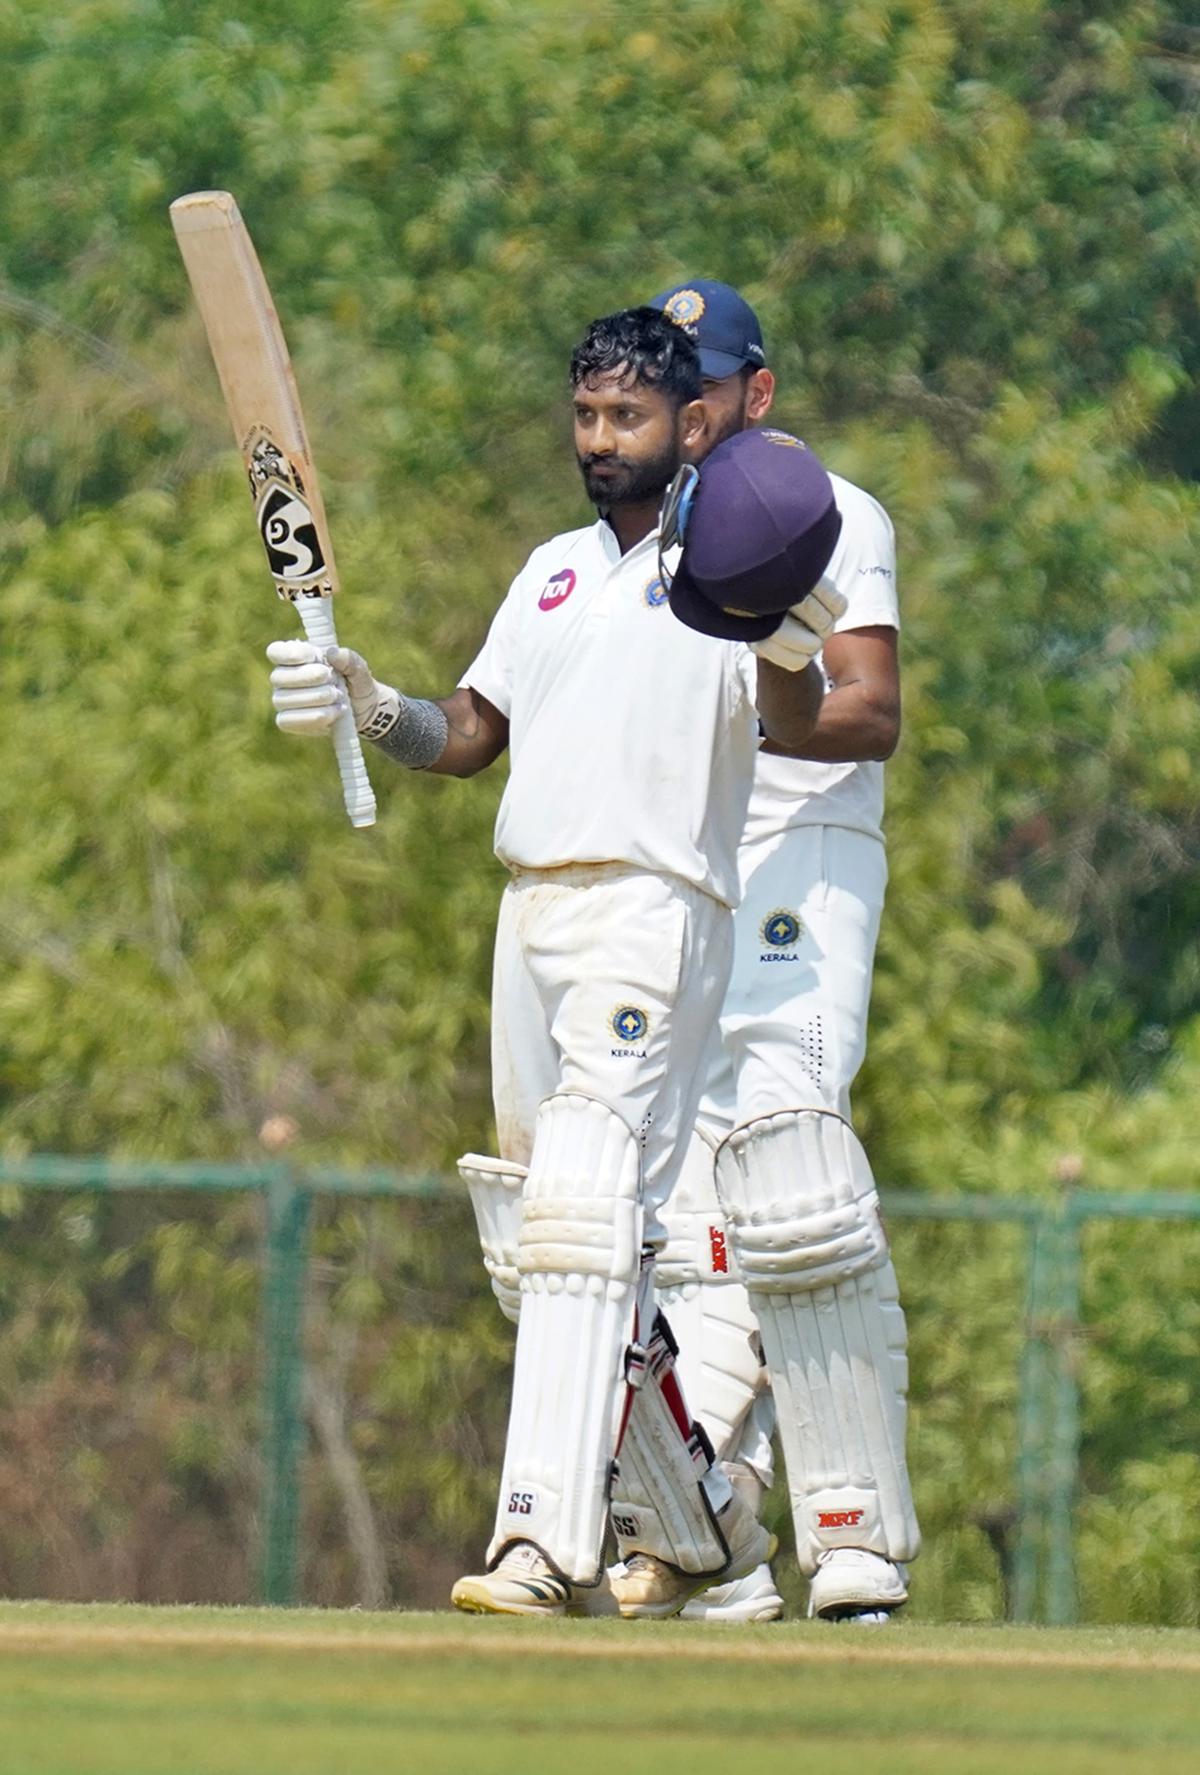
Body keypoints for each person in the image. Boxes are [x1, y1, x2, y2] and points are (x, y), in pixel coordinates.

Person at [265, 306, 847, 1617]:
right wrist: (371, 702)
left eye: (624, 417)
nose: (597, 440)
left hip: (655, 909)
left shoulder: (735, 557)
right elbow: (471, 733)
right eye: (584, 416)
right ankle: (703, 1532)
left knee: (586, 1206)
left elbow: (802, 719)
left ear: (692, 423)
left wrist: (787, 630)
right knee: (540, 1244)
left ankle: (542, 1541)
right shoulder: (550, 570)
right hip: (528, 912)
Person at [639, 280, 921, 1625]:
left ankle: (852, 1529)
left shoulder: (825, 514)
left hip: (805, 861)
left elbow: (869, 718)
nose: (686, 406)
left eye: (708, 381)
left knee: (795, 1175)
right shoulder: (627, 537)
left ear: (756, 392)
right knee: (677, 1221)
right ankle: (718, 1521)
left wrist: (771, 663)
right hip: (684, 876)